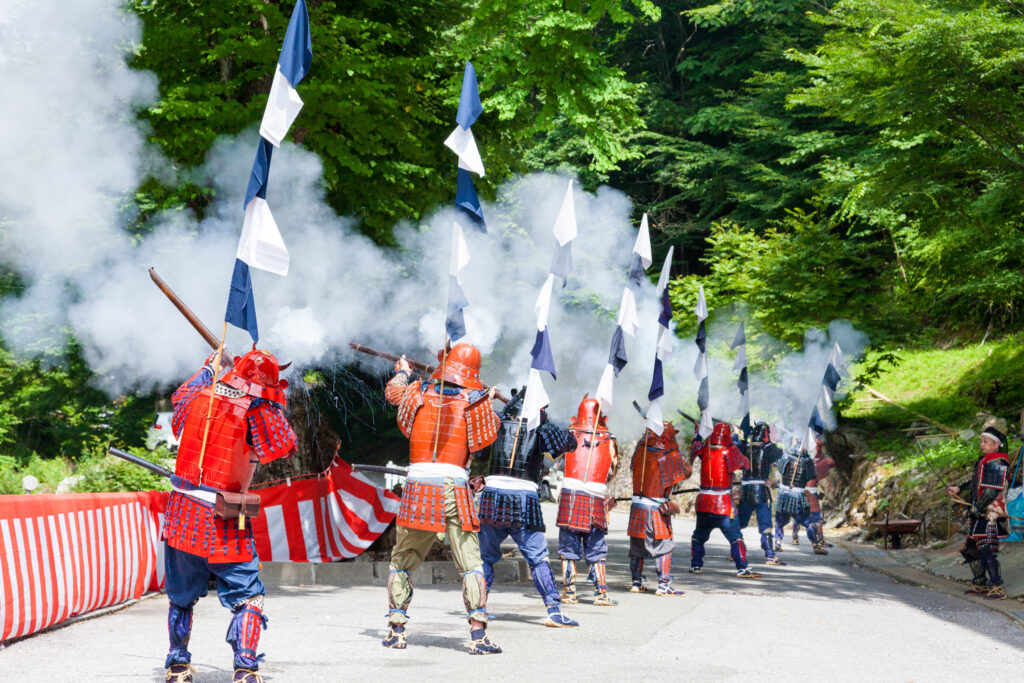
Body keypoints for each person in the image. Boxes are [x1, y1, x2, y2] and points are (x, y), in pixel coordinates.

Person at [163, 350, 297, 683]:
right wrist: (267, 399)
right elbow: (286, 446)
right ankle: (245, 669)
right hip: (224, 517)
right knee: (250, 595)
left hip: (182, 512)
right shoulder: (257, 408)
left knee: (181, 598)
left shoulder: (198, 392)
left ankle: (177, 668)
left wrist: (210, 369)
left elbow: (179, 404)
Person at [381, 344, 503, 653]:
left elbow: (393, 393)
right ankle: (478, 636)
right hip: (455, 488)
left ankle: (397, 630)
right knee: (471, 564)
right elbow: (490, 433)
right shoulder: (475, 400)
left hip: (419, 484)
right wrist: (487, 399)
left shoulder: (417, 389)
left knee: (402, 561)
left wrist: (403, 373)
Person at [475, 390, 579, 627]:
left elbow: (477, 439)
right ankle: (553, 611)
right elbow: (569, 444)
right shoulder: (540, 428)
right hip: (523, 499)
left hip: (493, 496)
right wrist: (547, 422)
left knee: (484, 558)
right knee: (539, 558)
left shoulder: (495, 420)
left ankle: (478, 609)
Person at [557, 396, 619, 606]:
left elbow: (554, 459)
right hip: (596, 498)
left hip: (570, 498)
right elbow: (611, 472)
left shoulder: (567, 435)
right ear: (603, 418)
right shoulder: (610, 440)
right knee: (596, 549)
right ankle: (600, 594)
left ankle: (569, 593)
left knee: (568, 549)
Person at [689, 422, 762, 578]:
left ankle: (695, 565)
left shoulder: (704, 448)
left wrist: (698, 431)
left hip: (704, 503)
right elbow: (745, 464)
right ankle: (742, 568)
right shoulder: (729, 450)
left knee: (699, 536)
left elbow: (695, 444)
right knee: (736, 537)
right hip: (723, 504)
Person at [628, 421, 692, 595]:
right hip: (656, 507)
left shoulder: (640, 449)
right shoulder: (669, 454)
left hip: (637, 507)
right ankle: (663, 585)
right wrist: (676, 452)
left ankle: (636, 582)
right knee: (665, 546)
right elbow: (687, 472)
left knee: (637, 548)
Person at [947, 427, 1011, 600]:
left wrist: (978, 507)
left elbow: (991, 491)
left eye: (985, 441)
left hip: (991, 513)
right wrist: (958, 488)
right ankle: (981, 583)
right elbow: (975, 480)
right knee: (971, 549)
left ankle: (997, 586)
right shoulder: (985, 461)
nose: (982, 444)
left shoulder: (998, 462)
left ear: (996, 445)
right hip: (980, 512)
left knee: (985, 548)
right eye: (981, 441)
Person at [736, 422, 785, 565]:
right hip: (761, 491)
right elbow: (779, 453)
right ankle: (769, 555)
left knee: (738, 523)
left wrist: (741, 435)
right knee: (766, 525)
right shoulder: (769, 448)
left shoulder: (743, 446)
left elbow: (734, 444)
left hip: (746, 491)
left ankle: (736, 552)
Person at [774, 446, 814, 554]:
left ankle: (777, 542)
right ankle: (816, 544)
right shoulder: (808, 462)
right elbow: (811, 476)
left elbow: (779, 468)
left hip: (784, 495)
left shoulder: (786, 457)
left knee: (779, 523)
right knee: (808, 522)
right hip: (798, 496)